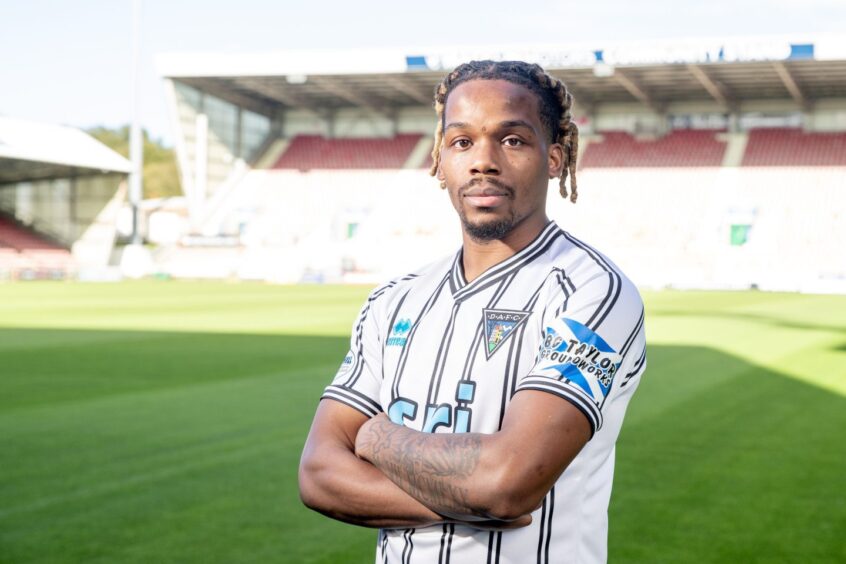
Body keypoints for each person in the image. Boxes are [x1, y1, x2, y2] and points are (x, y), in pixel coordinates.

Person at [299, 60, 646, 564]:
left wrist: (375, 436)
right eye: (461, 142)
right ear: (439, 161)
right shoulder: (392, 301)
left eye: (511, 140)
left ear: (553, 158)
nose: (483, 160)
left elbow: (508, 482)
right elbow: (318, 475)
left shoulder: (593, 294)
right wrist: (472, 500)